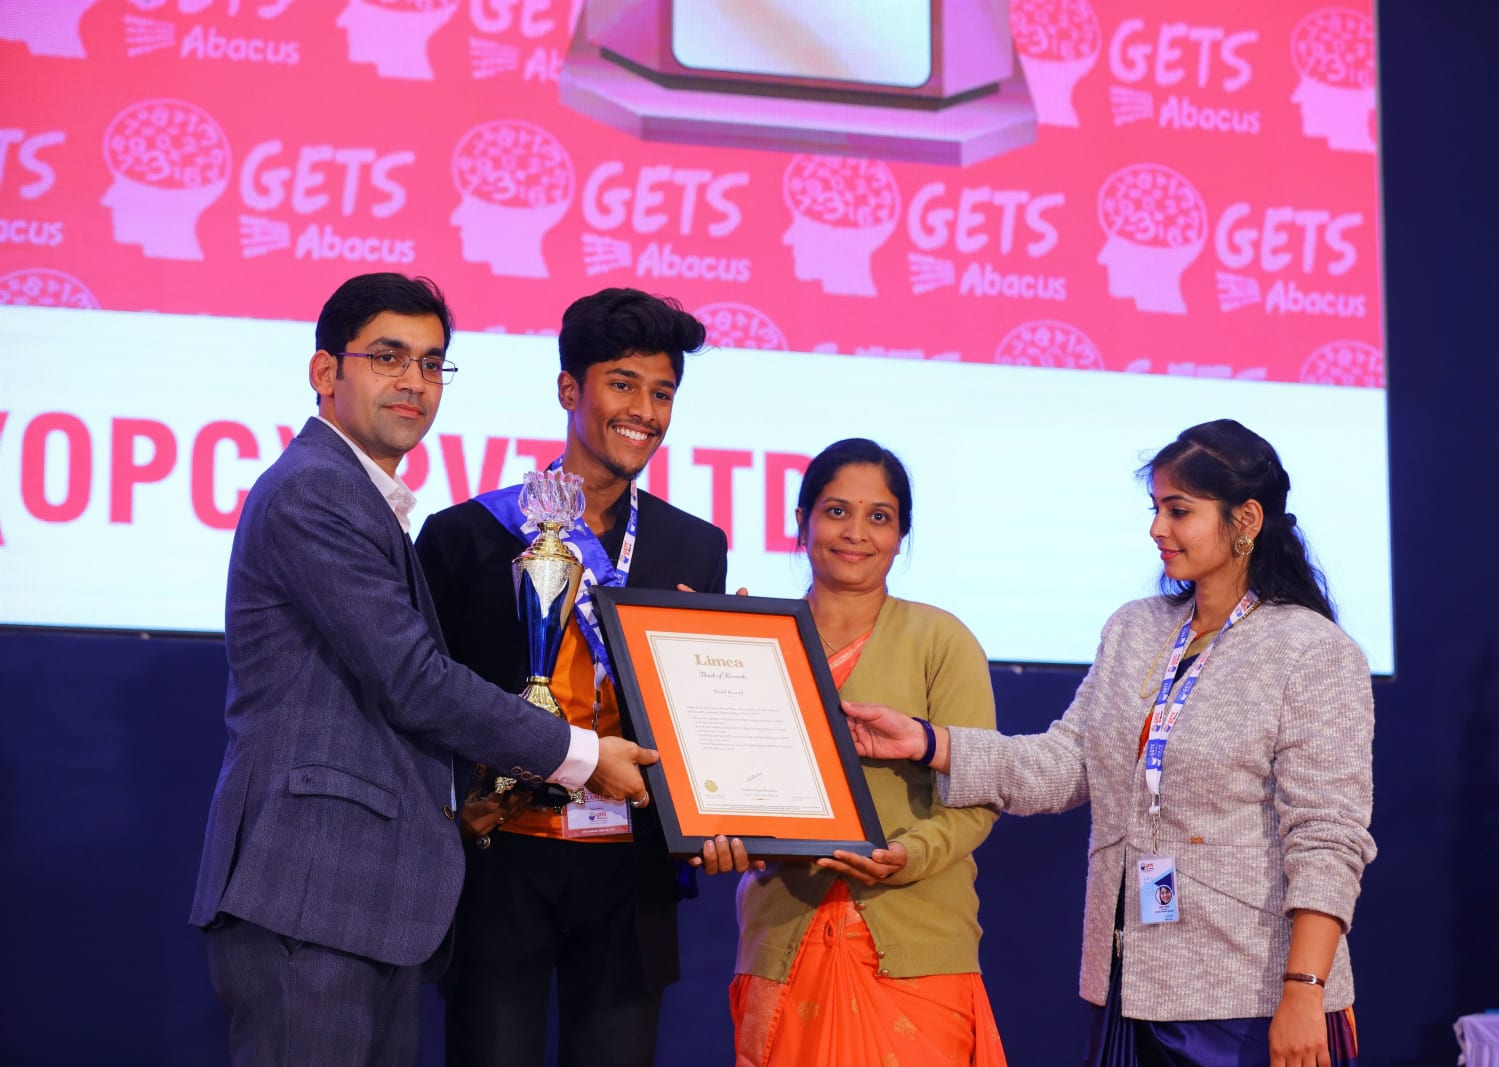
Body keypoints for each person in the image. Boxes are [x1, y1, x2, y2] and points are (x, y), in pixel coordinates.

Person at [189, 273, 658, 1067]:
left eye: (433, 363)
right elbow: (413, 678)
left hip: (367, 903)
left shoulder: (361, 499)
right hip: (315, 894)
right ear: (325, 372)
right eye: (388, 356)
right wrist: (583, 754)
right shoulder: (314, 493)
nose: (414, 381)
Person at [844, 419, 1376, 1067]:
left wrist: (1303, 989)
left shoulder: (1311, 650)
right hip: (1132, 984)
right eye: (1156, 509)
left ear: (1247, 519)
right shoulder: (1134, 630)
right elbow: (1065, 764)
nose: (1158, 528)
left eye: (1179, 510)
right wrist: (930, 742)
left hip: (1250, 994)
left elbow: (1328, 837)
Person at [414, 287, 729, 1067]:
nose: (646, 411)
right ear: (569, 389)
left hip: (629, 862)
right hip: (500, 857)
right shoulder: (466, 535)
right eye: (623, 383)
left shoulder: (695, 549)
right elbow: (421, 698)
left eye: (663, 392)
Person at [706, 438, 1007, 1067]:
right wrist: (719, 831)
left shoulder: (941, 640)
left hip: (916, 947)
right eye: (837, 511)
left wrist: (907, 856)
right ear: (802, 520)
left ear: (902, 534)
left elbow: (979, 795)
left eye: (880, 517)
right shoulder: (752, 639)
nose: (856, 533)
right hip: (783, 940)